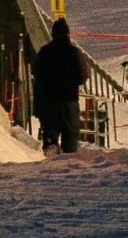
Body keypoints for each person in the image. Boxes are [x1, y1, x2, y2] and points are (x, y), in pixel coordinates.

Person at [31, 17, 86, 153]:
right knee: (70, 139)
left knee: (50, 137)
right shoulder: (74, 52)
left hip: (49, 102)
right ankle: (69, 166)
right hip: (69, 102)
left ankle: (51, 163)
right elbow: (82, 76)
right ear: (67, 33)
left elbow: (36, 73)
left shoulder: (44, 52)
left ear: (52, 34)